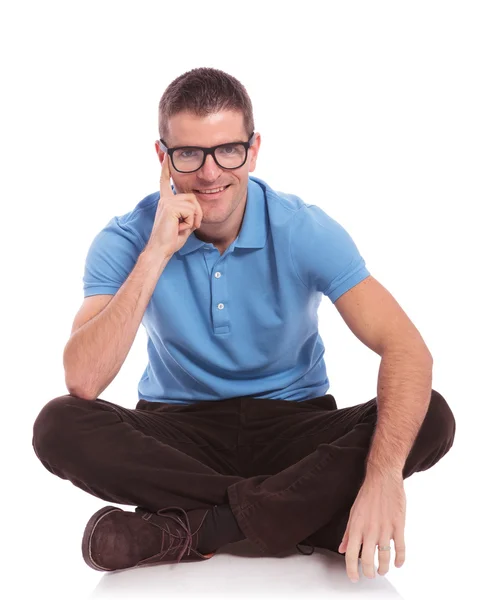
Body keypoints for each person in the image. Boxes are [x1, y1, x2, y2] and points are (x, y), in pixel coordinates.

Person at [32, 67, 456, 584]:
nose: (210, 173)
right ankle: (304, 515)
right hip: (178, 430)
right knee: (58, 426)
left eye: (227, 150)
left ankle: (194, 529)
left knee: (431, 416)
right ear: (163, 158)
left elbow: (408, 349)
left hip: (295, 426)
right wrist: (157, 251)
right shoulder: (127, 239)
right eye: (189, 154)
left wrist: (384, 475)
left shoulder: (302, 229)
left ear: (253, 150)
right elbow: (83, 379)